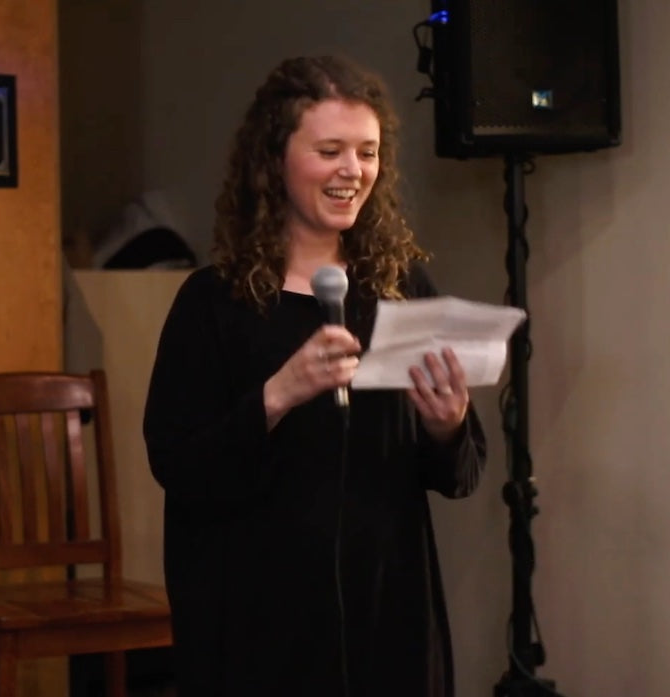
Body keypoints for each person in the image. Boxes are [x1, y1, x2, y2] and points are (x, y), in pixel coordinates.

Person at [142, 55, 487, 697]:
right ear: (275, 159)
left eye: (367, 152)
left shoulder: (402, 290)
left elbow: (462, 474)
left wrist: (449, 426)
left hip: (387, 607)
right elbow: (178, 463)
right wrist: (277, 396)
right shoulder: (213, 302)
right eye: (330, 150)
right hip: (257, 618)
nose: (352, 171)